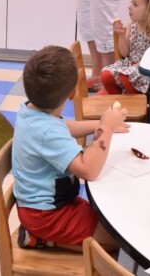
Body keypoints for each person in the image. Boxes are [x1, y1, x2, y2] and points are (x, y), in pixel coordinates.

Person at [13, 45, 129, 251]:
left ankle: (43, 236)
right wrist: (106, 127)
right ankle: (42, 239)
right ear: (73, 93)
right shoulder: (47, 131)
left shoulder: (30, 110)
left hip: (46, 206)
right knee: (117, 241)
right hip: (46, 215)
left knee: (111, 219)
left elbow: (62, 128)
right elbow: (89, 170)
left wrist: (98, 125)